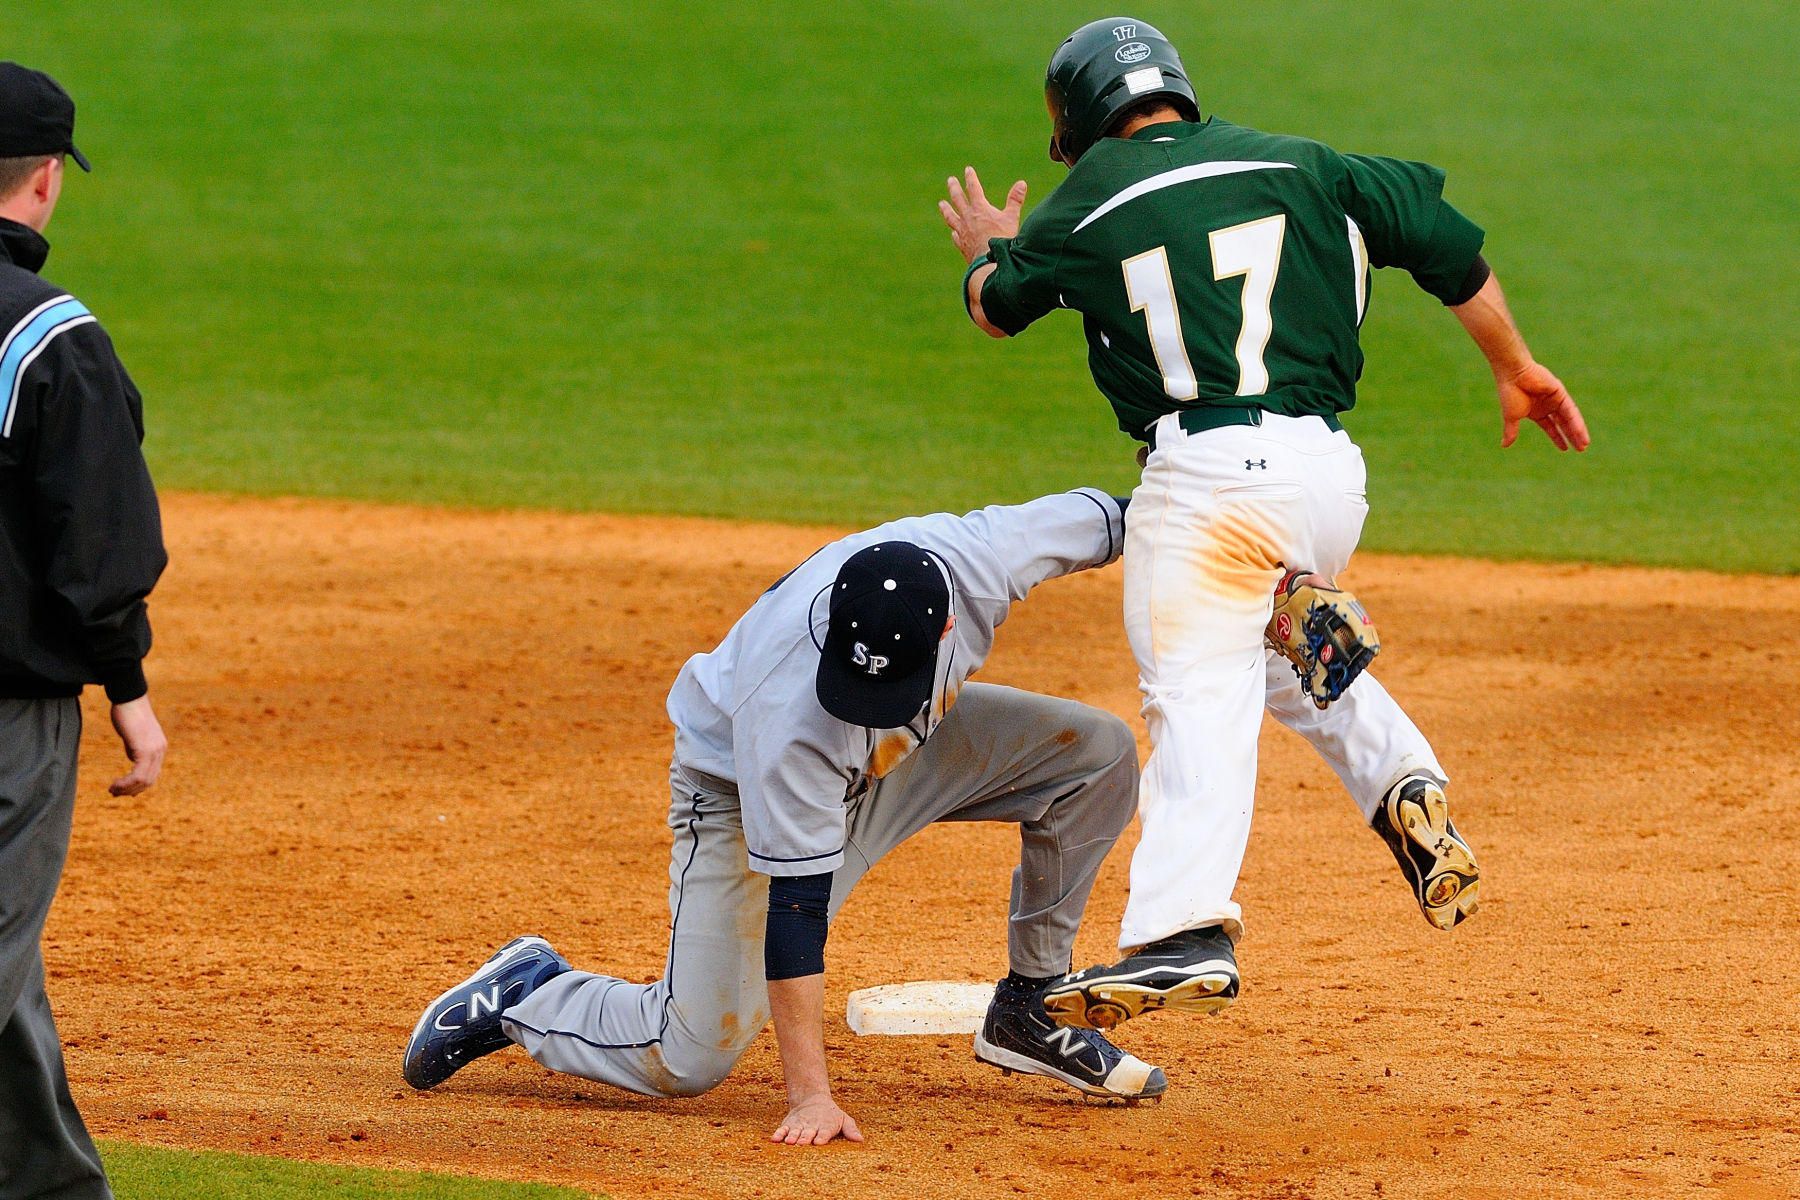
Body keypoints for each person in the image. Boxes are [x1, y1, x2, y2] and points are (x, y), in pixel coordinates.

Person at [938, 18, 1589, 1030]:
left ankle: (1181, 929)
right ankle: (1402, 779)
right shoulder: (1306, 163)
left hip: (1206, 485)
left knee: (1193, 689)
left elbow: (998, 308)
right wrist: (1514, 364)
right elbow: (1444, 240)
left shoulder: (1093, 193)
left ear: (1081, 122)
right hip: (1326, 481)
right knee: (1271, 649)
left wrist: (990, 250)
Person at [403, 490, 1165, 1144]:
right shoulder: (789, 720)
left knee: (1097, 757)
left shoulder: (984, 556)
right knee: (690, 1052)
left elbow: (1150, 514)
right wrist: (811, 1097)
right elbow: (795, 915)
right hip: (739, 798)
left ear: (944, 627)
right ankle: (528, 993)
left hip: (898, 762)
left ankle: (1031, 1006)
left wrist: (1232, 540)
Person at [0, 63, 169, 1200]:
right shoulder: (48, 336)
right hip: (9, 716)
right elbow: (97, 538)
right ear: (47, 180)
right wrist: (127, 686)